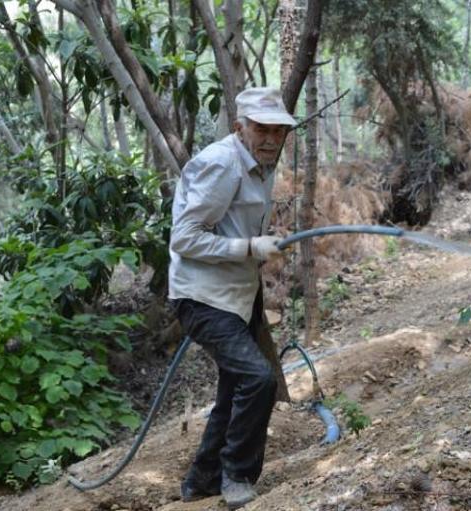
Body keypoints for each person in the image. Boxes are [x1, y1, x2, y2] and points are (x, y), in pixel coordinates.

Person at [168, 87, 296, 510]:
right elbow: (185, 238)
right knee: (259, 380)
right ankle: (237, 477)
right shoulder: (222, 164)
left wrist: (264, 244)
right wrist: (248, 248)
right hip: (202, 296)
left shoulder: (263, 163)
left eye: (278, 131)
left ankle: (200, 483)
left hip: (238, 295)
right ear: (240, 127)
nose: (271, 139)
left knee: (234, 388)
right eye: (262, 129)